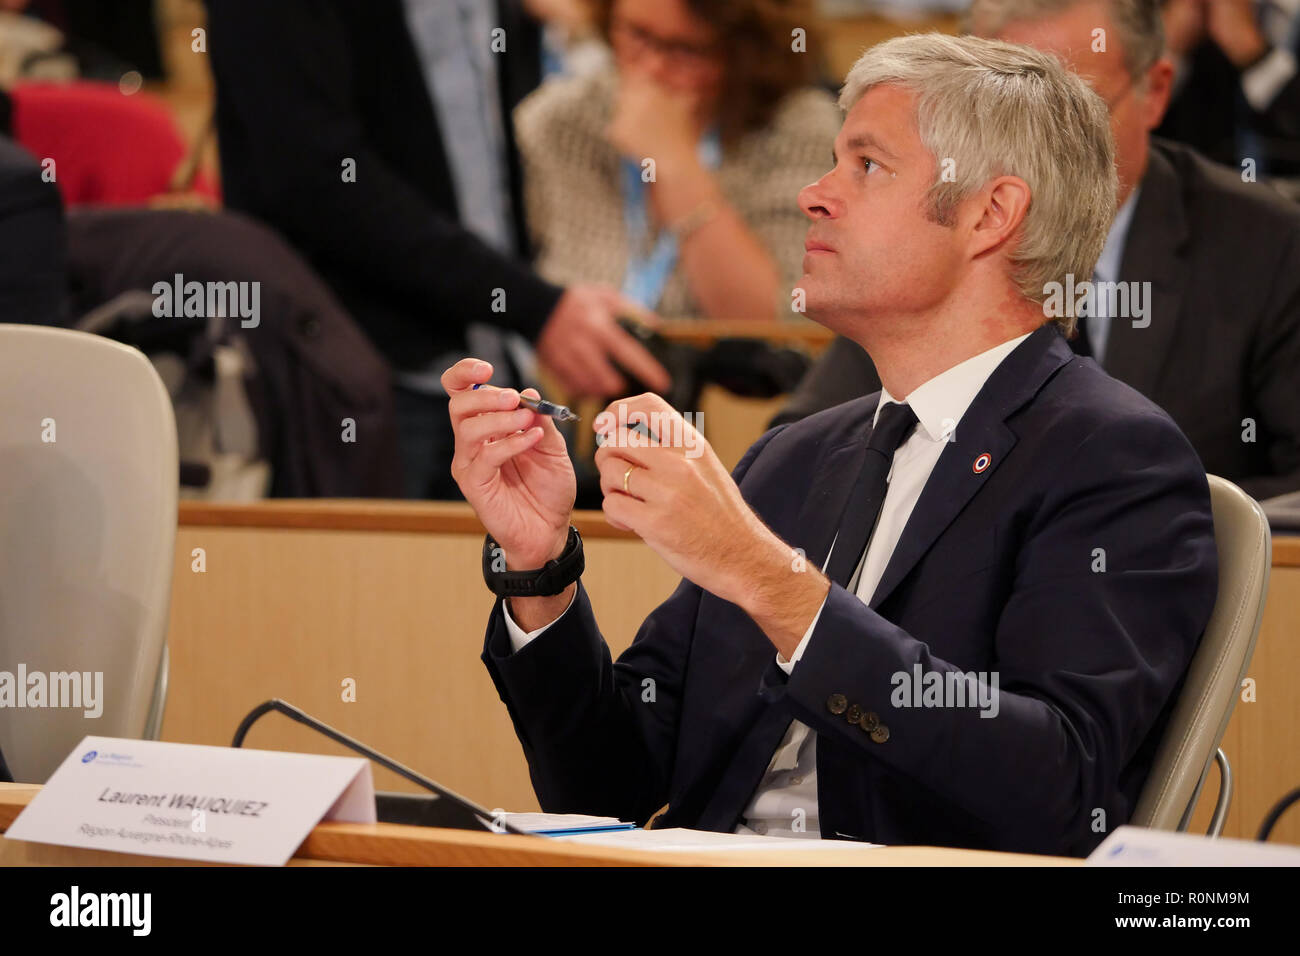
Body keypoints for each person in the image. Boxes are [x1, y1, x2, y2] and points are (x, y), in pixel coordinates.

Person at [443, 33, 1218, 856]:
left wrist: (768, 580)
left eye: (866, 166)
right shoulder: (796, 457)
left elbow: (1060, 786)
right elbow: (611, 787)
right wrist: (540, 569)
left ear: (991, 215)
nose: (815, 194)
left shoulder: (1113, 457)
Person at [777, 0, 1300, 502]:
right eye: (989, 119)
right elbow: (801, 460)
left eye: (1073, 116)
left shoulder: (1269, 245)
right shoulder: (917, 260)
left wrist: (1148, 512)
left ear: (1156, 91)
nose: (1027, 154)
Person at [204, 0, 670, 499]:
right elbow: (318, 179)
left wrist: (524, 305)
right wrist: (535, 307)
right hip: (350, 384)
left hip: (493, 368)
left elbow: (484, 164)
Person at [515, 0, 841, 319]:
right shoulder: (556, 121)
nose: (652, 67)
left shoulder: (798, 127)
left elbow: (777, 326)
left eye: (686, 49)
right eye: (637, 34)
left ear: (745, 53)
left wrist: (676, 166)